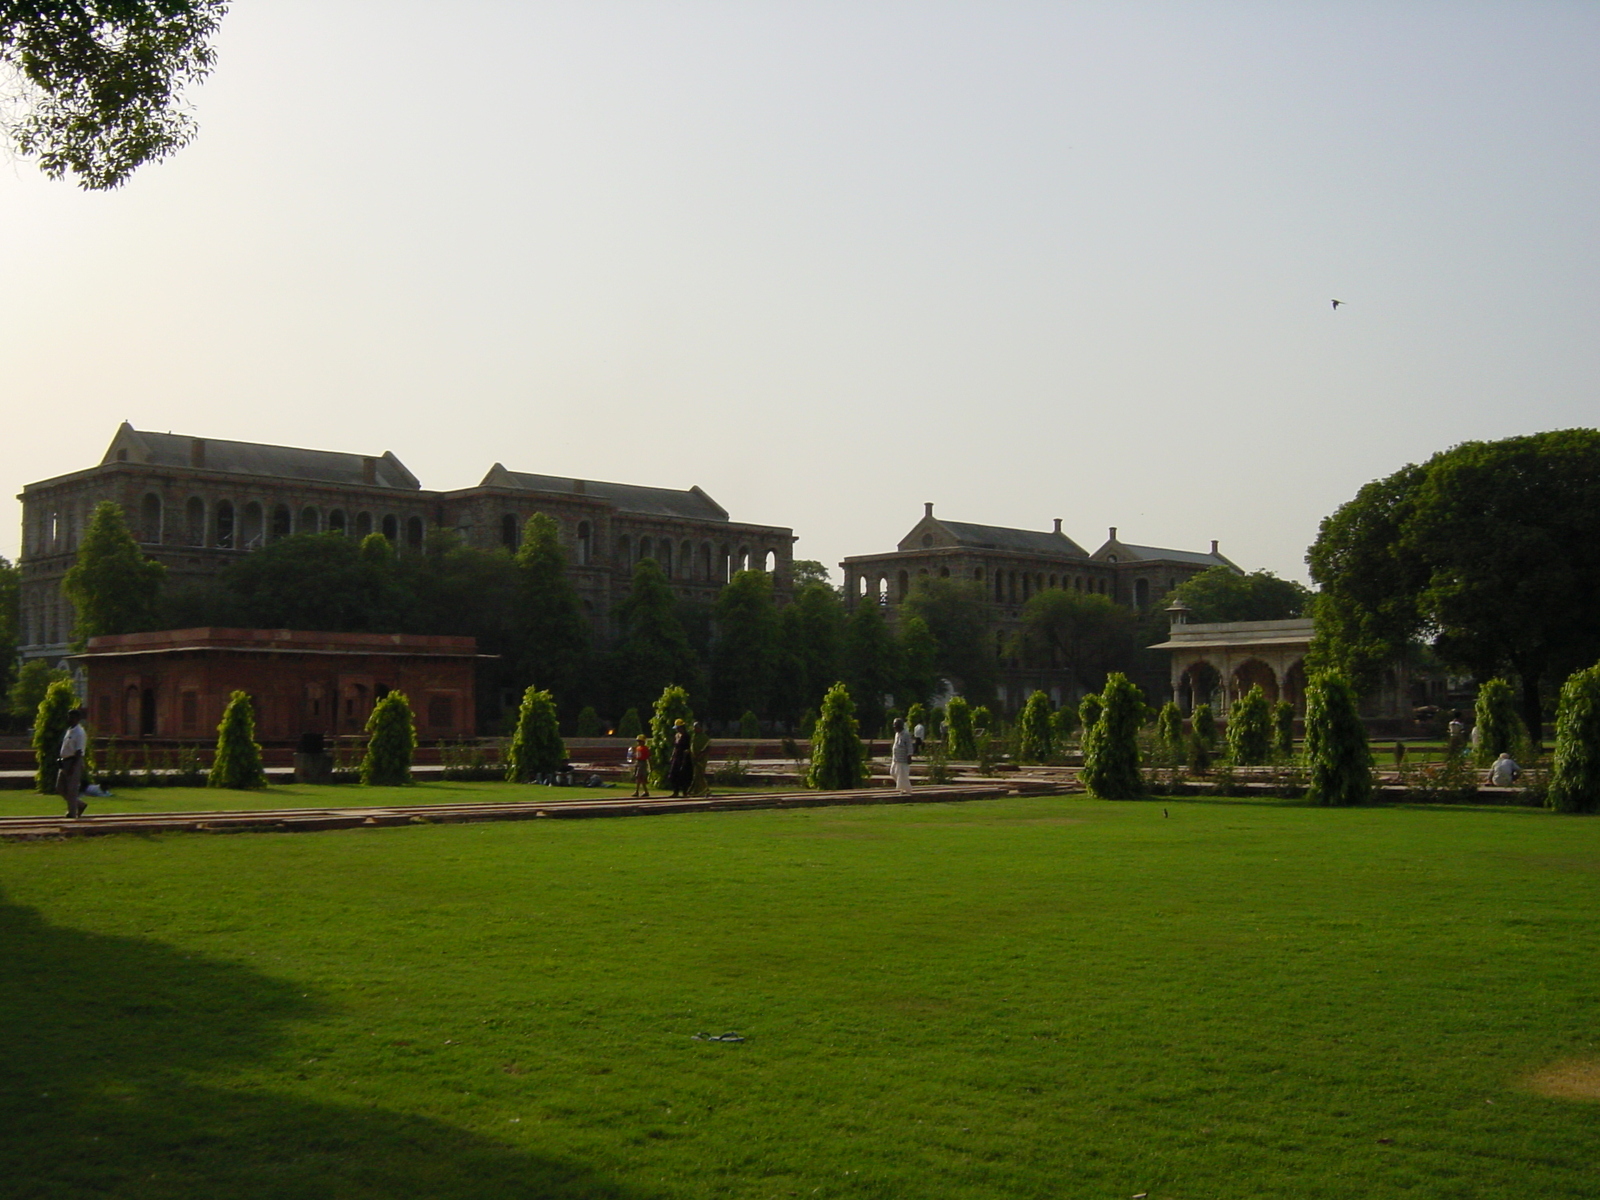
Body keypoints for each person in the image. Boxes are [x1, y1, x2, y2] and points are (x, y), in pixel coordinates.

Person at [58, 707, 89, 819]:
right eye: (68, 716)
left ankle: (72, 813)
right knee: (60, 787)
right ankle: (80, 805)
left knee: (72, 789)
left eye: (71, 716)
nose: (69, 718)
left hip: (74, 762)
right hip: (65, 761)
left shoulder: (79, 732)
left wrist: (73, 767)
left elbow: (79, 751)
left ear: (77, 718)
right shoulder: (69, 730)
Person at [667, 718, 694, 798]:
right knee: (673, 774)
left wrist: (688, 751)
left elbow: (690, 747)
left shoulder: (686, 736)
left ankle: (685, 791)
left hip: (685, 757)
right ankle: (675, 791)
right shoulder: (677, 736)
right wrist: (672, 756)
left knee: (684, 774)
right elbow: (675, 747)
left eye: (679, 728)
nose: (678, 730)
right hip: (677, 756)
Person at [890, 716, 914, 793]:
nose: (894, 727)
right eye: (894, 725)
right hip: (896, 759)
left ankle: (907, 791)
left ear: (900, 726)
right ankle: (902, 788)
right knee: (893, 773)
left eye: (896, 725)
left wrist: (909, 756)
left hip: (902, 759)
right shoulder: (897, 734)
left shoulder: (906, 734)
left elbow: (909, 746)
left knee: (903, 776)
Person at [689, 720, 711, 797]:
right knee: (696, 775)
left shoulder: (704, 737)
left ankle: (704, 790)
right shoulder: (694, 736)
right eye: (694, 727)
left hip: (701, 759)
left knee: (700, 775)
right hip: (694, 758)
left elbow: (706, 749)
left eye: (696, 728)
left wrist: (700, 756)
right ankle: (697, 790)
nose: (694, 729)